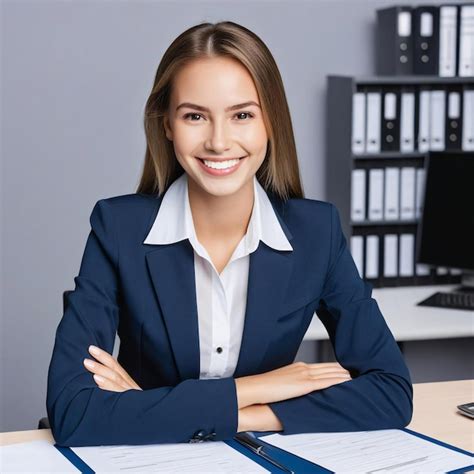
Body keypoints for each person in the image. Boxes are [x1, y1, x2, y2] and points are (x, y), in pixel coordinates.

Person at [46, 21, 413, 447]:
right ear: (167, 124)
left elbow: (391, 394)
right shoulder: (118, 230)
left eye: (242, 115)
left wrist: (185, 410)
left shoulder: (316, 232)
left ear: (270, 122)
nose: (219, 142)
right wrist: (257, 387)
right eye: (195, 116)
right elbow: (74, 413)